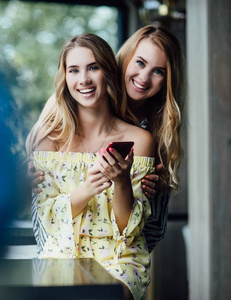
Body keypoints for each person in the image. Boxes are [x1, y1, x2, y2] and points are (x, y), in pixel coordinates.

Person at [30, 24, 186, 253]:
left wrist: (150, 187)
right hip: (60, 240)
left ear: (167, 80)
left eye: (158, 71)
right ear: (123, 61)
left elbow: (150, 230)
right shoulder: (80, 95)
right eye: (140, 63)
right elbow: (37, 146)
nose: (143, 77)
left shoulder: (154, 133)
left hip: (121, 252)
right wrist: (30, 166)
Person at [26, 33, 155, 300]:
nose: (83, 79)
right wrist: (85, 190)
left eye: (93, 67)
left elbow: (129, 230)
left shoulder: (139, 140)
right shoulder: (49, 140)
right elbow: (48, 221)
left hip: (119, 258)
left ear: (107, 72)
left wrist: (121, 182)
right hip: (62, 255)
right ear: (65, 78)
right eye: (74, 70)